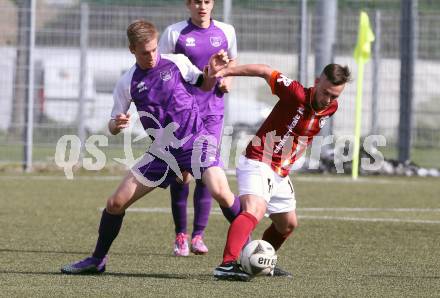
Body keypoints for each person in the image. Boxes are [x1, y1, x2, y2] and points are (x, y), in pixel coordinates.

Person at [60, 19, 241, 274]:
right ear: (132, 50)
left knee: (221, 192)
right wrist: (117, 123)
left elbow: (205, 85)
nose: (152, 56)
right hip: (163, 150)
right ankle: (96, 260)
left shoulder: (176, 62)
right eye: (145, 52)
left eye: (155, 49)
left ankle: (253, 247)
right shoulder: (127, 82)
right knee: (115, 203)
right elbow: (112, 125)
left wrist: (211, 72)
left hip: (196, 140)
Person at [211, 63, 351, 281]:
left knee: (287, 224)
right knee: (254, 210)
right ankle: (227, 265)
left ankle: (262, 261)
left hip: (280, 171)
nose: (328, 99)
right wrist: (226, 71)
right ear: (317, 81)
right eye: (325, 92)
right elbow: (265, 71)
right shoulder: (294, 92)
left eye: (334, 96)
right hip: (258, 160)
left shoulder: (331, 108)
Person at [158, 0, 238, 256]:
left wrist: (227, 80)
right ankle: (180, 234)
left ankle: (198, 236)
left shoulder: (226, 31)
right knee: (182, 174)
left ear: (212, 3)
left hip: (213, 112)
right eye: (196, 1)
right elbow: (162, 68)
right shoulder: (174, 33)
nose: (201, 6)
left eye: (206, 1)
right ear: (187, 4)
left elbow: (232, 63)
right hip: (183, 113)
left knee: (208, 171)